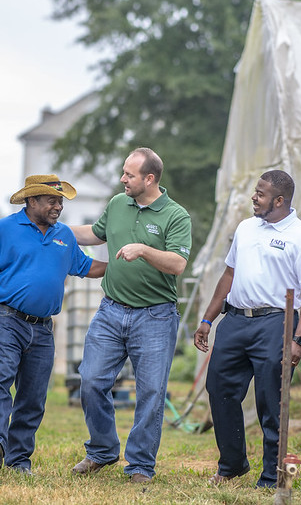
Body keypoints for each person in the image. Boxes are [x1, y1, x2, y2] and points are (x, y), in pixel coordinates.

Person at [0, 174, 106, 475]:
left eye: (61, 201)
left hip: (43, 328)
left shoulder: (64, 235)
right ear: (31, 201)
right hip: (7, 319)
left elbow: (87, 266)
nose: (58, 206)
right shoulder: (3, 229)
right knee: (1, 379)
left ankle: (18, 460)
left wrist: (124, 264)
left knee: (34, 395)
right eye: (52, 200)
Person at [193, 170, 301, 488]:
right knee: (219, 390)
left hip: (276, 324)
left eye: (260, 193)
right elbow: (228, 275)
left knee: (271, 400)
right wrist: (208, 319)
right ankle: (232, 464)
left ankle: (271, 476)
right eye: (255, 191)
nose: (254, 197)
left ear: (279, 201)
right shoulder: (245, 228)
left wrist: (298, 339)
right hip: (235, 321)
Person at [71, 147, 192, 484]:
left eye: (129, 174)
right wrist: (55, 227)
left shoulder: (175, 215)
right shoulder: (116, 204)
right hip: (111, 311)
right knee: (91, 380)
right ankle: (102, 450)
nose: (122, 179)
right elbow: (95, 234)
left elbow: (178, 264)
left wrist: (144, 250)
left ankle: (140, 465)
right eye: (124, 172)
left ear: (149, 179)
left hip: (155, 316)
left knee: (152, 392)